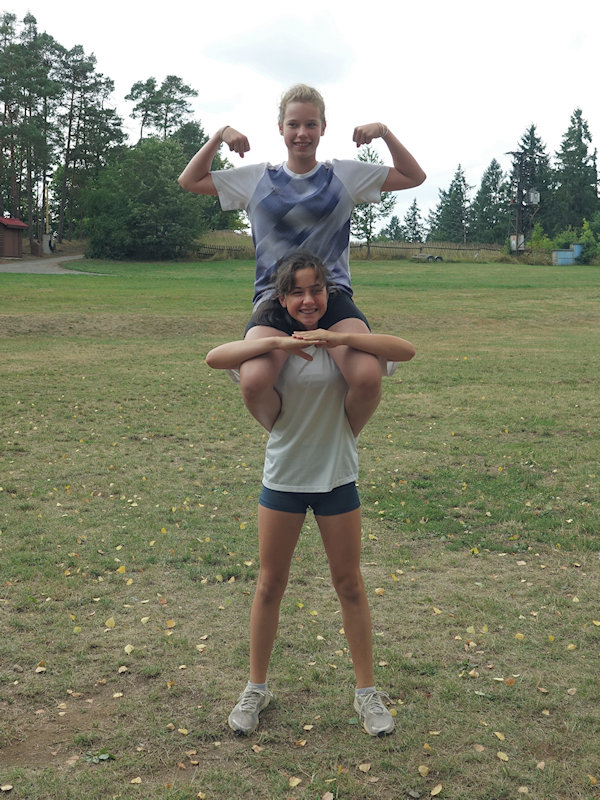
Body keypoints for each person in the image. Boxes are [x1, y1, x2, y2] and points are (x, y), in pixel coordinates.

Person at [205, 252, 416, 737]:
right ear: (281, 299)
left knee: (350, 585)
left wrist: (340, 338)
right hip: (283, 480)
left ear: (329, 293)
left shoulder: (343, 343)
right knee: (269, 585)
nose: (308, 300)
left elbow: (405, 350)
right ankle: (256, 689)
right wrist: (278, 341)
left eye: (316, 290)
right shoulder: (271, 349)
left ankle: (367, 694)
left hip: (336, 478)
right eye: (297, 292)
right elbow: (214, 358)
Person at [180, 83, 425, 433]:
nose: (302, 133)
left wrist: (384, 132)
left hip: (332, 295)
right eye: (293, 124)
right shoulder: (256, 178)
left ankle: (342, 438)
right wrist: (220, 135)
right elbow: (190, 180)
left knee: (367, 377)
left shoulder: (344, 175)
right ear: (280, 128)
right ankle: (287, 439)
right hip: (273, 297)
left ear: (323, 128)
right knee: (254, 381)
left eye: (311, 124)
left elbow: (414, 177)